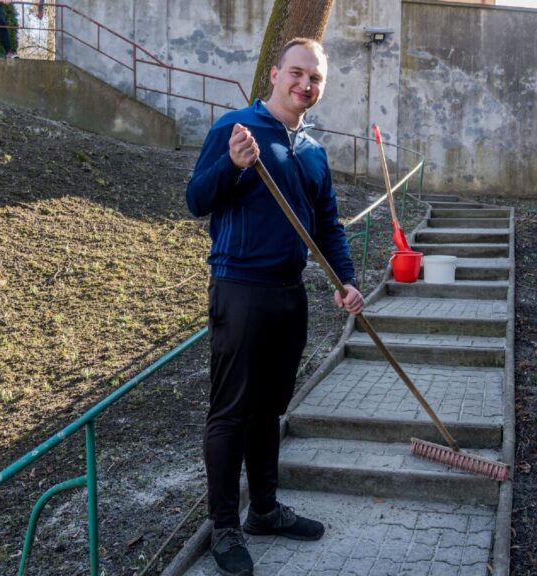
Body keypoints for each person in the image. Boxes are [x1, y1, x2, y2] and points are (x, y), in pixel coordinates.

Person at [185, 38, 365, 576]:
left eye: (315, 78)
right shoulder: (236, 128)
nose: (305, 84)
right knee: (232, 412)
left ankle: (263, 509)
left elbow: (327, 224)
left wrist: (346, 280)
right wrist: (233, 166)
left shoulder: (312, 150)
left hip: (290, 294)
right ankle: (224, 527)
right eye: (297, 73)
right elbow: (197, 199)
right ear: (274, 73)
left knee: (269, 410)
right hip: (240, 289)